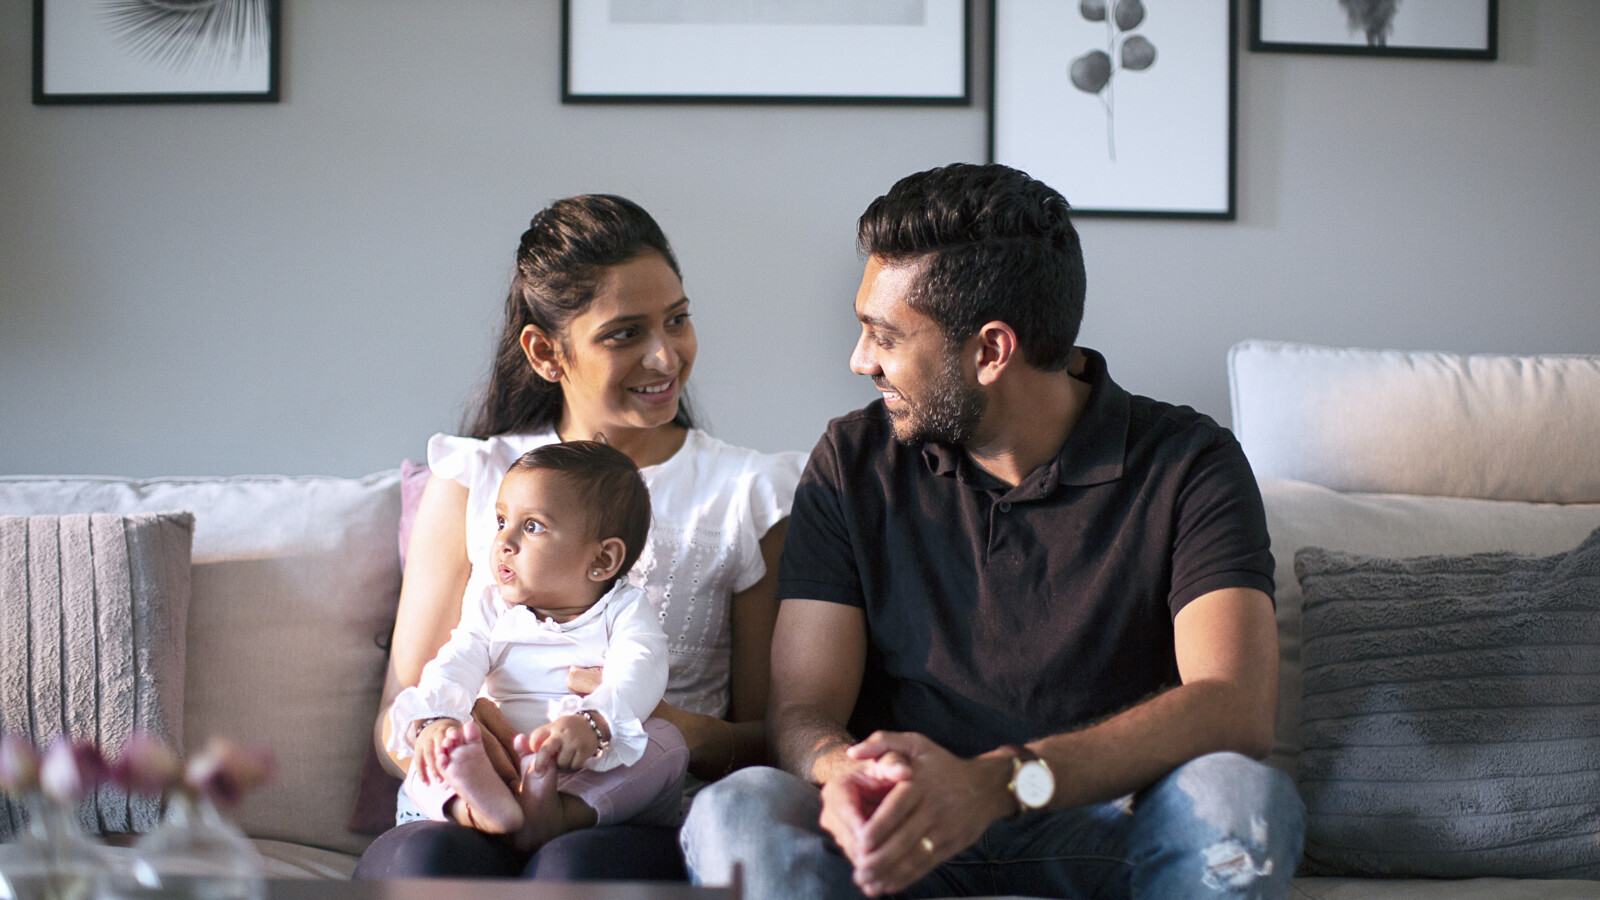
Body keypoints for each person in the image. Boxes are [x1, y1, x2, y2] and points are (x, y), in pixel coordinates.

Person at [682, 164, 1306, 899]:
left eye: (882, 336)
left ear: (990, 351)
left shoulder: (1188, 463)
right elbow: (802, 709)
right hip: (898, 833)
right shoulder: (853, 461)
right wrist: (840, 769)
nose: (859, 361)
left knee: (1240, 797)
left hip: (1103, 826)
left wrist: (994, 783)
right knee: (738, 810)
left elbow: (1233, 704)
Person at [355, 194, 804, 880]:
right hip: (476, 789)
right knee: (428, 861)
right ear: (544, 351)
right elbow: (400, 712)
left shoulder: (749, 493)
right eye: (624, 334)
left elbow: (773, 740)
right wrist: (450, 738)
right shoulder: (476, 479)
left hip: (626, 808)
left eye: (677, 321)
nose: (664, 356)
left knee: (572, 869)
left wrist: (647, 728)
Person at [390, 441, 686, 850]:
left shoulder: (623, 610)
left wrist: (595, 723)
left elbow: (642, 666)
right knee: (431, 745)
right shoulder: (493, 604)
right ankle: (472, 807)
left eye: (532, 527)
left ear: (602, 560)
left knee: (666, 741)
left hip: (584, 760)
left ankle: (559, 813)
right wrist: (439, 716)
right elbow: (460, 657)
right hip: (495, 759)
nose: (504, 542)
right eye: (500, 521)